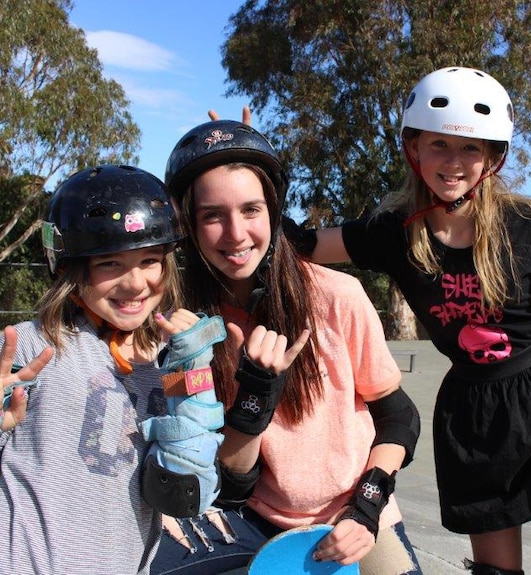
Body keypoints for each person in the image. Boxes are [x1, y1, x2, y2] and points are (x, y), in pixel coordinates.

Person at [280, 67, 531, 574]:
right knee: (497, 569)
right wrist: (254, 172)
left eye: (470, 149)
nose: (453, 163)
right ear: (414, 149)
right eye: (439, 145)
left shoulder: (525, 223)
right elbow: (300, 246)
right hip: (478, 414)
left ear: (493, 158)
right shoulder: (391, 231)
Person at [0, 165, 225, 575]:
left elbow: (182, 496)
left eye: (150, 260)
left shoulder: (173, 358)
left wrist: (192, 377)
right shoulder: (32, 344)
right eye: (110, 264)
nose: (136, 283)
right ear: (70, 269)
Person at [150, 120, 422, 574]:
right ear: (190, 226)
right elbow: (232, 483)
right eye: (213, 215)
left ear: (274, 212)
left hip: (352, 516)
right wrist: (256, 396)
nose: (236, 234)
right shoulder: (184, 332)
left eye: (251, 209)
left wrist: (367, 508)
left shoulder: (339, 297)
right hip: (252, 521)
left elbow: (399, 417)